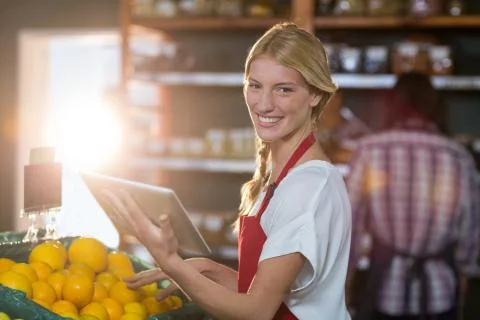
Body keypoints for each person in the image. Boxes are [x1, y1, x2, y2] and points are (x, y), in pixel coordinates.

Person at [103, 22, 352, 320]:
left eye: (284, 89)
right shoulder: (284, 175)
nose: (264, 104)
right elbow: (282, 294)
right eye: (255, 86)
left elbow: (258, 311)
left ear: (314, 95)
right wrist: (208, 270)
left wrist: (173, 264)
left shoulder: (308, 186)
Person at [346, 72, 480, 320]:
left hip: (383, 290)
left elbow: (349, 225)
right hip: (440, 292)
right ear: (436, 106)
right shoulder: (458, 156)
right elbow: (471, 234)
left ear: (392, 104)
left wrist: (346, 285)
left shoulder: (369, 150)